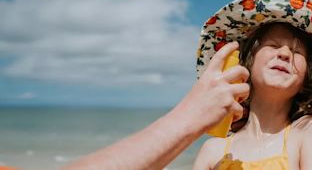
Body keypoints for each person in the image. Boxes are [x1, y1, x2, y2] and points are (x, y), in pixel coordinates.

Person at [193, 0, 312, 169]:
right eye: (273, 45)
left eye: (297, 52)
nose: (285, 54)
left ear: (307, 80)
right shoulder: (213, 151)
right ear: (246, 65)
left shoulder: (306, 132)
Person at [63, 41, 250, 169]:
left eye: (282, 46)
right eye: (272, 45)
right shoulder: (213, 149)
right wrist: (193, 114)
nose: (281, 52)